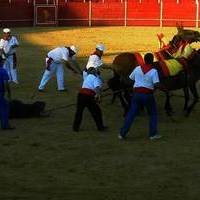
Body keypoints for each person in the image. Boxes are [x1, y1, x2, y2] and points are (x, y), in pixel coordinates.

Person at [119, 53, 163, 140]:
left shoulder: (137, 68)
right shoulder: (154, 71)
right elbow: (157, 84)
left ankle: (122, 133)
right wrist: (165, 90)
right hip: (147, 96)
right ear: (152, 61)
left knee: (131, 114)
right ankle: (153, 134)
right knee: (153, 114)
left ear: (144, 60)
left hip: (136, 95)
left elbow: (131, 79)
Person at [73, 67, 107, 132]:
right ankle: (100, 127)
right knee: (96, 111)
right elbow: (97, 88)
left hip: (80, 95)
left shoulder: (87, 77)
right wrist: (99, 96)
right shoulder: (95, 78)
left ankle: (75, 128)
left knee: (79, 112)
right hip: (88, 96)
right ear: (95, 73)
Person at [0, 55, 14, 130]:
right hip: (0, 93)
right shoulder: (3, 71)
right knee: (4, 108)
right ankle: (5, 125)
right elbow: (6, 84)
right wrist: (8, 94)